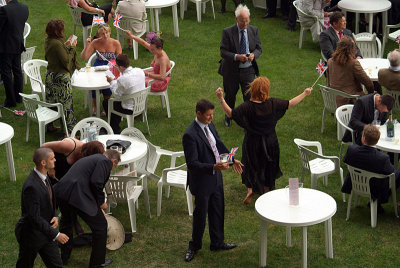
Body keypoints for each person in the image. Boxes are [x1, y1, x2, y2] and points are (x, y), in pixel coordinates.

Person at [216, 77, 312, 203]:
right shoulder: (273, 103)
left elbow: (231, 114)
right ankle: (266, 191)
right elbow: (290, 103)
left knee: (250, 165)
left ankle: (250, 189)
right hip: (270, 142)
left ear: (252, 90)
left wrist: (221, 99)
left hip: (252, 142)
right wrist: (305, 93)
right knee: (269, 166)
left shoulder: (247, 107)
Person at [182, 99, 243, 262]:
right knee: (201, 216)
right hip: (202, 181)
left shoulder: (210, 125)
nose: (211, 118)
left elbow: (219, 146)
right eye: (208, 115)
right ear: (199, 114)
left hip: (216, 178)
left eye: (212, 114)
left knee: (217, 210)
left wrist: (232, 160)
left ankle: (217, 242)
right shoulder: (190, 135)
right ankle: (194, 246)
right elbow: (192, 164)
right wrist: (213, 167)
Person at [53, 150, 120, 267]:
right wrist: (101, 203)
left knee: (67, 223)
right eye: (115, 166)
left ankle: (63, 258)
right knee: (100, 226)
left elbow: (89, 182)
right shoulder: (105, 161)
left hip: (62, 192)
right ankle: (97, 263)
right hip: (76, 195)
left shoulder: (93, 159)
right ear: (114, 161)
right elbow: (96, 182)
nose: (112, 168)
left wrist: (97, 206)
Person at [15, 148, 69, 268]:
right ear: (43, 163)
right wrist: (56, 235)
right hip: (31, 236)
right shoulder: (31, 187)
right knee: (25, 264)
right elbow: (34, 218)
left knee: (57, 265)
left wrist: (54, 214)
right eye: (52, 158)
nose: (55, 160)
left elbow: (49, 200)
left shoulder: (44, 175)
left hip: (46, 233)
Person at [219, 4, 262, 127]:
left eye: (247, 20)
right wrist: (237, 57)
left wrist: (254, 54)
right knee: (230, 95)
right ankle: (228, 116)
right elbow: (223, 51)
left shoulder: (254, 30)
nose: (245, 24)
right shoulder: (227, 32)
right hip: (231, 70)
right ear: (236, 19)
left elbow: (259, 48)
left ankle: (248, 120)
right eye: (242, 21)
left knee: (249, 96)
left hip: (248, 70)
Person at [341, 124, 400, 213]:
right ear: (377, 140)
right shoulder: (382, 158)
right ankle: (378, 201)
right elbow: (391, 173)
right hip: (375, 187)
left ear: (363, 138)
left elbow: (345, 161)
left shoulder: (352, 150)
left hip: (356, 182)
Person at [45, 19, 80, 132]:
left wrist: (65, 46)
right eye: (61, 29)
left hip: (51, 76)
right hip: (60, 78)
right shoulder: (56, 43)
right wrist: (73, 47)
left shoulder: (49, 40)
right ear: (57, 31)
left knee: (52, 102)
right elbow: (66, 61)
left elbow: (54, 54)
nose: (63, 31)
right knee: (66, 104)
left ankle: (50, 126)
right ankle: (69, 131)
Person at [81, 24, 122, 116]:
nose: (105, 35)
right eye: (102, 34)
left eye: (107, 32)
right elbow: (84, 57)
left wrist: (117, 67)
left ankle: (105, 107)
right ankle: (95, 106)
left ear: (110, 32)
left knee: (108, 88)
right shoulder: (95, 42)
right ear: (99, 34)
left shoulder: (116, 43)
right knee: (95, 87)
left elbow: (119, 60)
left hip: (111, 67)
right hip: (98, 67)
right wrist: (87, 45)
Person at [326, 36, 374, 107]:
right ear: (352, 49)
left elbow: (329, 82)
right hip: (350, 101)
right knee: (376, 95)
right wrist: (370, 93)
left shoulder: (330, 61)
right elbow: (368, 83)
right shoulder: (353, 63)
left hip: (334, 101)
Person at [105, 53, 145, 134]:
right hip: (141, 104)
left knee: (106, 102)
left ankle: (115, 130)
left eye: (117, 66)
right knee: (115, 103)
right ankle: (116, 123)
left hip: (129, 108)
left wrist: (111, 82)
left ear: (121, 67)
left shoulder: (123, 79)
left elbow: (117, 95)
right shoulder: (139, 71)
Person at [0, 0, 28, 108]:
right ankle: (18, 96)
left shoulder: (4, 10)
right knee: (17, 70)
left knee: (6, 72)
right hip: (18, 43)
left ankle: (10, 101)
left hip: (6, 46)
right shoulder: (25, 8)